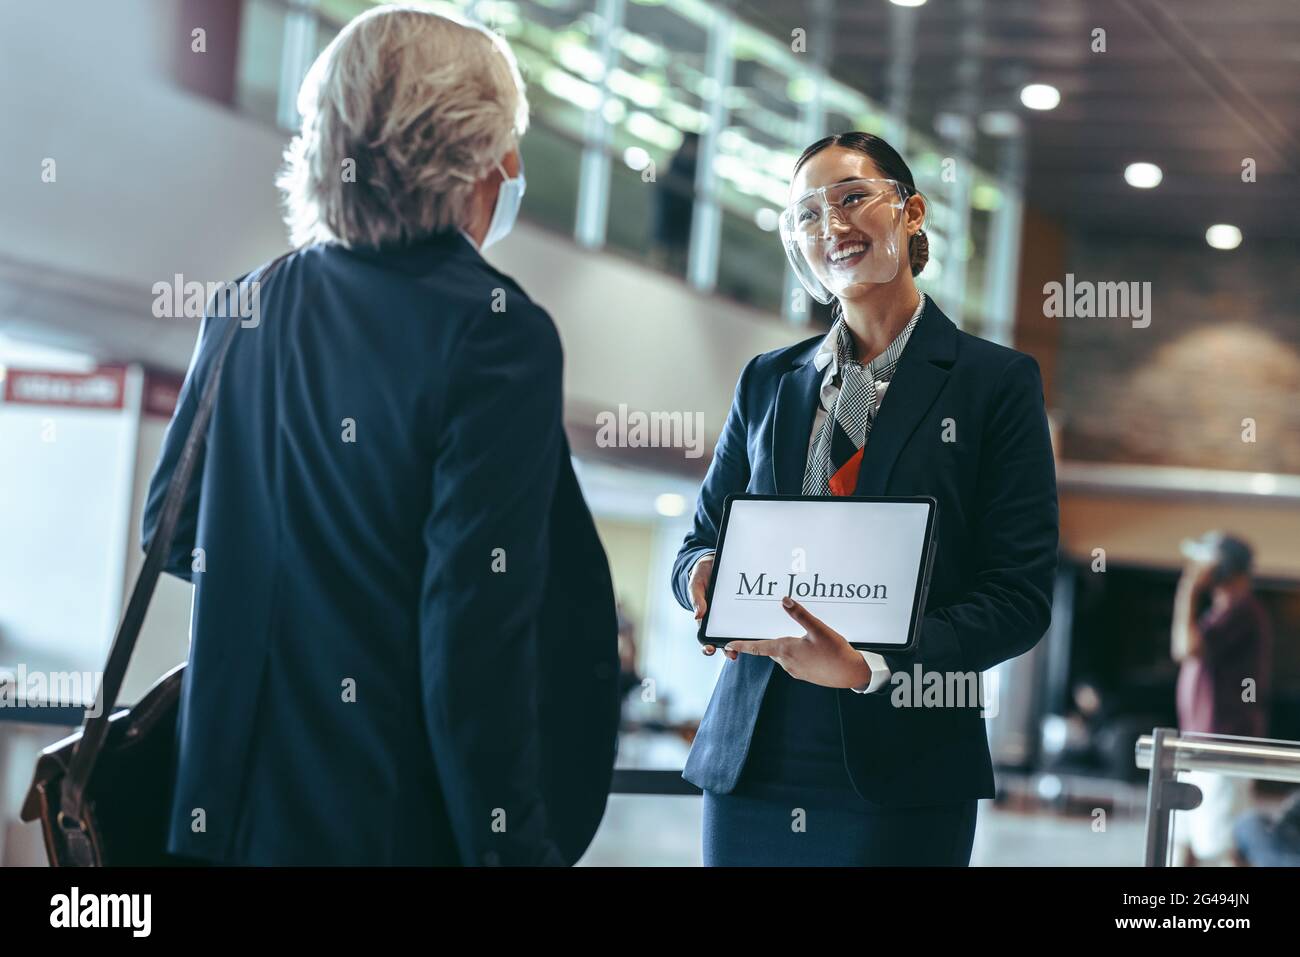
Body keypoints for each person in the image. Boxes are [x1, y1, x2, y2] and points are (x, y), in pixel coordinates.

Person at [143, 6, 618, 866]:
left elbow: (171, 533)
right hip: (390, 823)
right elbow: (471, 637)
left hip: (226, 819)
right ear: (472, 154)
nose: (514, 166)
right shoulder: (496, 332)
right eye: (506, 141)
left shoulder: (251, 301)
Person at [671, 131, 1059, 866]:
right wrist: (699, 575)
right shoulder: (768, 380)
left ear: (910, 212)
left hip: (904, 766)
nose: (832, 227)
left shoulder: (994, 384)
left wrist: (870, 665)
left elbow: (1017, 598)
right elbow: (698, 539)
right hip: (753, 756)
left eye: (852, 198)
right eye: (808, 215)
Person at [1170, 531, 1272, 866]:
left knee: (1222, 845)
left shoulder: (1243, 612)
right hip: (1201, 744)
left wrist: (1189, 587)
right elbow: (1185, 648)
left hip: (1220, 746)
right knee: (1184, 841)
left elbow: (1184, 647)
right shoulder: (1223, 613)